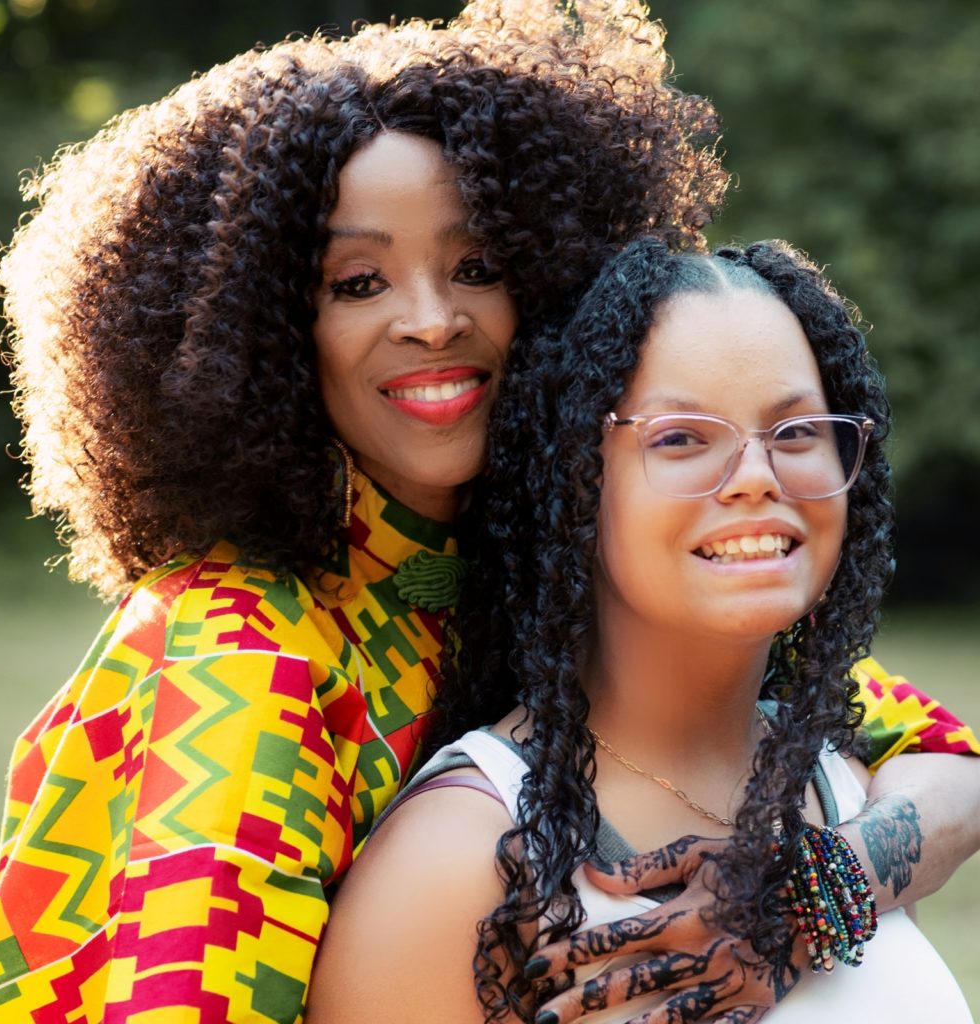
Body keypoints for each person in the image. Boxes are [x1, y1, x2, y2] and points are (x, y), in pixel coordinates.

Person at [0, 3, 976, 1023]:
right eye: (356, 282)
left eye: (477, 267)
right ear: (254, 332)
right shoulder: (242, 648)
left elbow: (939, 757)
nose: (433, 318)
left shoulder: (537, 568)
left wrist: (812, 889)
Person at [307, 238, 975, 1024]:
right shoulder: (456, 864)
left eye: (796, 432)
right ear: (574, 487)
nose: (759, 476)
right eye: (681, 437)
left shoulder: (844, 797)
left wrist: (818, 887)